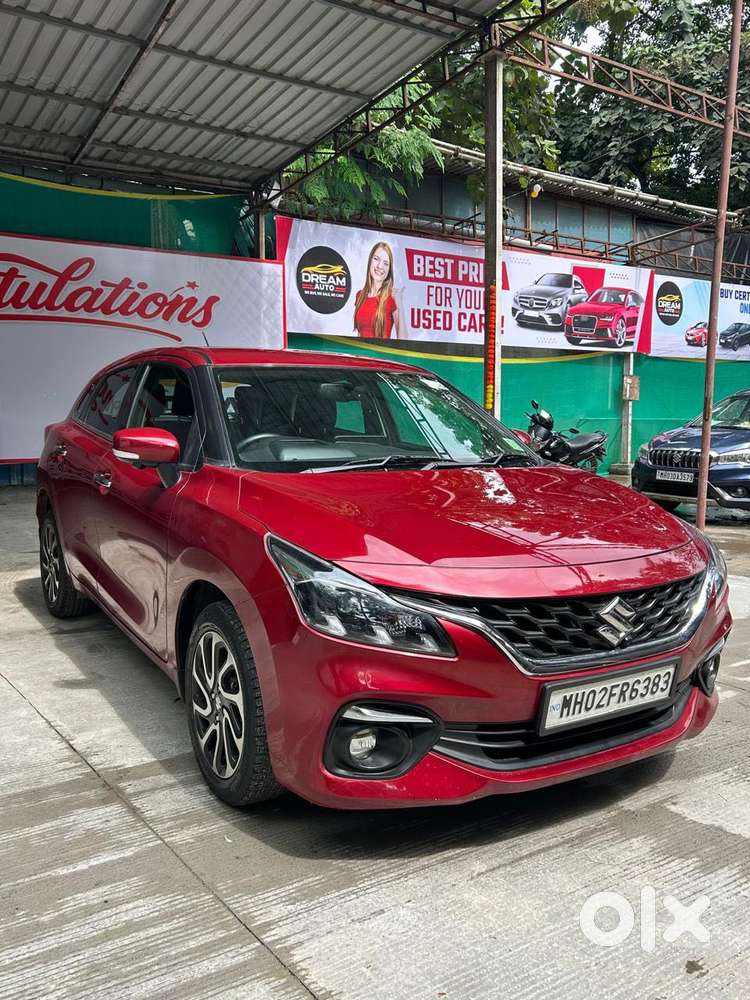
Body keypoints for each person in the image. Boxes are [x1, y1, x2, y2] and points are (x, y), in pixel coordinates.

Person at [353, 241, 405, 339]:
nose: (380, 266)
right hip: (360, 354)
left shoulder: (392, 297)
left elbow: (404, 341)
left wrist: (399, 303)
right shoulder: (360, 295)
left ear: (389, 270)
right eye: (376, 259)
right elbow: (360, 334)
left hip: (379, 354)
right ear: (370, 260)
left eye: (386, 263)